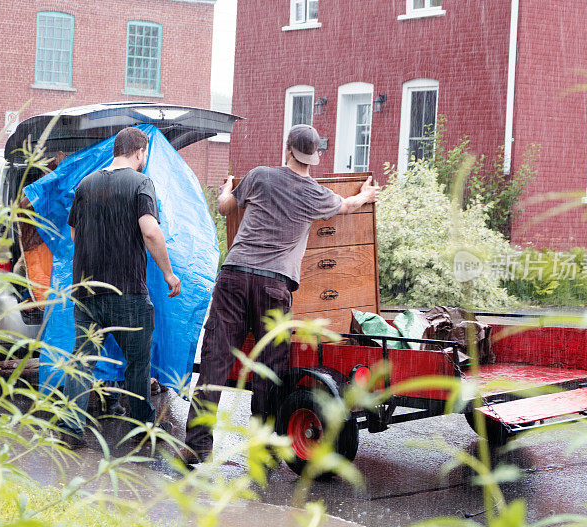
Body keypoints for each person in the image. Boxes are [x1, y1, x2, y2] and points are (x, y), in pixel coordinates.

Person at [180, 124, 379, 465]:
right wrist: (366, 196)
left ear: (287, 148)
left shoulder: (259, 176)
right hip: (274, 285)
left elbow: (225, 207)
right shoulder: (314, 193)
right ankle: (261, 444)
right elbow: (346, 206)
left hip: (233, 277)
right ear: (314, 156)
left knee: (215, 362)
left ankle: (197, 445)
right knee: (268, 367)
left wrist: (227, 188)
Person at [58, 127, 181, 448]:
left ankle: (70, 431)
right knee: (138, 365)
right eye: (145, 154)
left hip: (86, 291)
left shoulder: (86, 184)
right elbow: (151, 232)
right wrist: (168, 273)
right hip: (127, 292)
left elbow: (74, 235)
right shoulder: (141, 183)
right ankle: (142, 429)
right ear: (140, 152)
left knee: (81, 361)